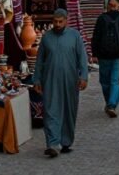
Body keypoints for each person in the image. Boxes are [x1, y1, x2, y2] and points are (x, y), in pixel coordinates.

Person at [34, 9, 89, 157]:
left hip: (70, 80)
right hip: (50, 80)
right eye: (55, 22)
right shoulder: (46, 38)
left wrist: (83, 76)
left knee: (68, 110)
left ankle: (66, 141)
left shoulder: (74, 36)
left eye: (60, 21)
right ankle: (52, 143)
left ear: (66, 20)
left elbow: (82, 58)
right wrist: (37, 79)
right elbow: (39, 61)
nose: (57, 24)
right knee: (51, 110)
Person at [91, 0, 119, 118]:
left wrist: (94, 53)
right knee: (116, 80)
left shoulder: (101, 19)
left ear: (108, 6)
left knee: (104, 81)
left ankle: (109, 102)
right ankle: (112, 104)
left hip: (103, 55)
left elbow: (96, 36)